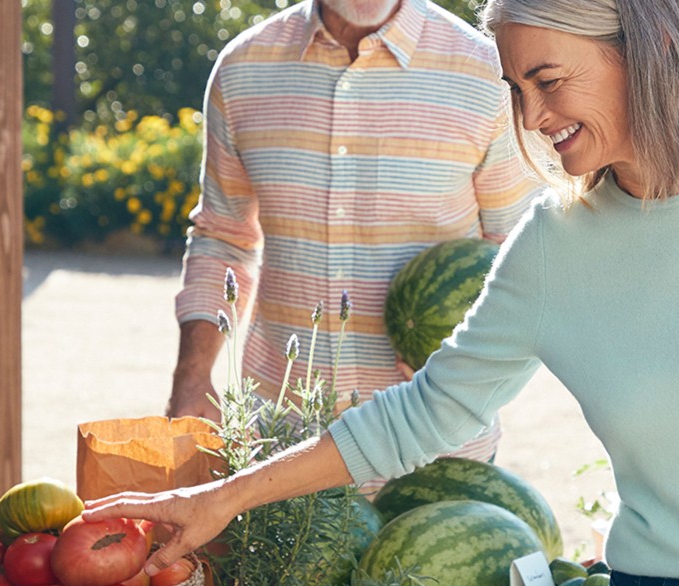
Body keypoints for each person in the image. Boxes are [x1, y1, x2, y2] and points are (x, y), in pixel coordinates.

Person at [85, 0, 679, 586]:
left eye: (547, 81)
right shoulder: (554, 244)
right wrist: (224, 496)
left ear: (642, 51)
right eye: (514, 89)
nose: (532, 119)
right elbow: (424, 412)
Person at [165, 0, 540, 472]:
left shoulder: (488, 71)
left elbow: (521, 257)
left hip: (434, 448)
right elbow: (223, 237)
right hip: (277, 451)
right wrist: (192, 375)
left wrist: (466, 372)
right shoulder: (243, 68)